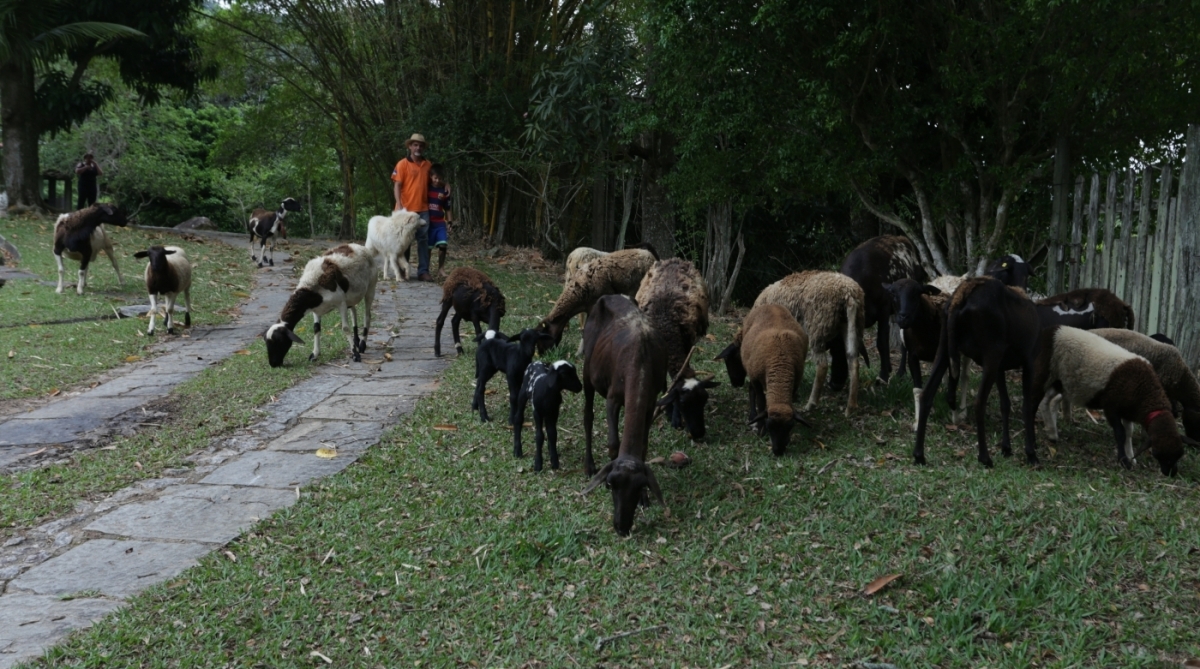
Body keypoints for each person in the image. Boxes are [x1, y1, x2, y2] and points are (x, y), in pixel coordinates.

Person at [391, 133, 433, 282]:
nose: (418, 148)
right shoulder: (402, 164)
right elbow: (397, 185)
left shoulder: (428, 165)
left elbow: (435, 182)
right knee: (404, 241)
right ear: (410, 146)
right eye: (415, 145)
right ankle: (403, 269)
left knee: (423, 240)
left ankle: (423, 271)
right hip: (406, 210)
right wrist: (400, 206)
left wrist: (445, 184)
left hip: (423, 208)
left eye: (421, 145)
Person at [428, 164, 452, 279]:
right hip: (428, 223)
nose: (437, 181)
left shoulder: (444, 191)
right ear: (431, 177)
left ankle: (441, 269)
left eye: (440, 178)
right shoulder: (426, 188)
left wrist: (450, 222)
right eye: (435, 178)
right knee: (428, 247)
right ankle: (426, 268)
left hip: (440, 222)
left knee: (443, 245)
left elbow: (448, 208)